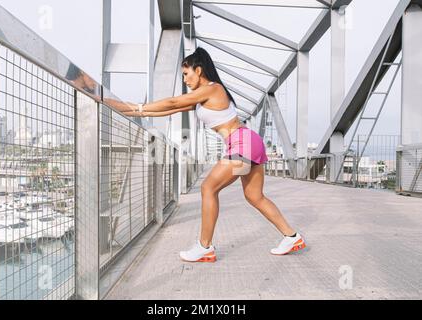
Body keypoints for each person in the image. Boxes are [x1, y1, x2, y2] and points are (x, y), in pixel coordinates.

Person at [103, 47, 306, 262]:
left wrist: (140, 107)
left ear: (198, 70)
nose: (184, 80)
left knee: (208, 187)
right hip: (249, 142)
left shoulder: (212, 88)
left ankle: (204, 246)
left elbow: (173, 102)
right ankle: (291, 236)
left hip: (242, 144)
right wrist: (131, 109)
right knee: (254, 196)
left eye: (186, 74)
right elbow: (169, 109)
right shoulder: (202, 99)